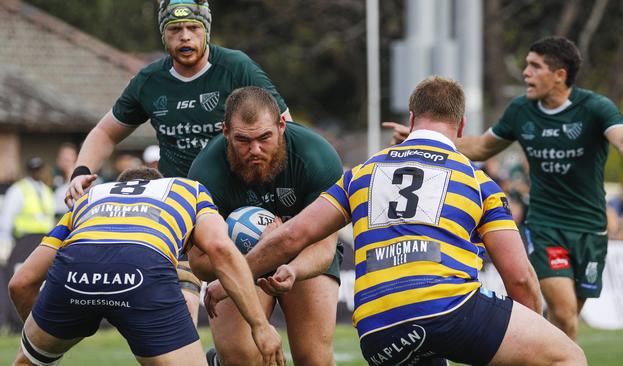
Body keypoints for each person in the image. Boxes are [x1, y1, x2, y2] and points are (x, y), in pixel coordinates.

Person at [205, 76, 586, 365]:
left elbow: (291, 236)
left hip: (377, 325)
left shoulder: (362, 174)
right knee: (567, 357)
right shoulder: (476, 180)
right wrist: (529, 331)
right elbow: (519, 278)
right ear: (461, 127)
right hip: (449, 306)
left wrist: (229, 279)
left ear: (411, 118)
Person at [384, 37, 623, 341]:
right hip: (546, 226)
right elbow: (482, 146)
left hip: (591, 231)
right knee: (563, 313)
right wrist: (424, 136)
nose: (525, 73)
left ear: (559, 75)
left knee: (566, 320)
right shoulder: (521, 110)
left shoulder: (594, 107)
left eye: (535, 66)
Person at [63, 0, 291, 328]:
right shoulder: (150, 81)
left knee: (243, 350)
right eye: (175, 30)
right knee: (179, 322)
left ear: (206, 31)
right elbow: (105, 131)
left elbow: (284, 127)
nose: (185, 37)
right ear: (163, 35)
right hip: (180, 211)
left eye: (193, 28)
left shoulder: (236, 68)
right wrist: (82, 171)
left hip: (238, 208)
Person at [9, 167, 285, 366]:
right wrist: (260, 326)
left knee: (30, 362)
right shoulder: (188, 189)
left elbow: (20, 283)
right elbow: (220, 248)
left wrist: (48, 338)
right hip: (143, 270)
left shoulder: (89, 199)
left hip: (74, 273)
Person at [187, 86, 343, 366]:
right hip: (236, 258)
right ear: (225, 132)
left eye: (264, 137)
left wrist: (293, 269)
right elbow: (198, 263)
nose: (255, 149)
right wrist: (257, 255)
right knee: (241, 357)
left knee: (314, 359)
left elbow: (325, 247)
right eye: (243, 140)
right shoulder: (205, 173)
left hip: (302, 257)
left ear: (282, 125)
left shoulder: (317, 157)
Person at [0, 157, 55, 248]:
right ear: (28, 171)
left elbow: (50, 216)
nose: (37, 172)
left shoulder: (47, 190)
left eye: (39, 169)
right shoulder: (18, 189)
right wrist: (5, 240)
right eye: (34, 169)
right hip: (25, 239)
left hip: (45, 240)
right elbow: (7, 216)